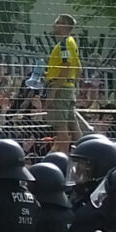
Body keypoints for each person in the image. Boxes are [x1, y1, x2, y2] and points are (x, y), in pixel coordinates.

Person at [43, 14, 81, 153]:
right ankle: (83, 153)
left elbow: (66, 67)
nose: (55, 24)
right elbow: (78, 68)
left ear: (66, 26)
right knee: (73, 125)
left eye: (59, 22)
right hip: (69, 87)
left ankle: (63, 159)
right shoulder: (72, 43)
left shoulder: (64, 44)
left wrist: (53, 93)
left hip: (61, 88)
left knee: (61, 127)